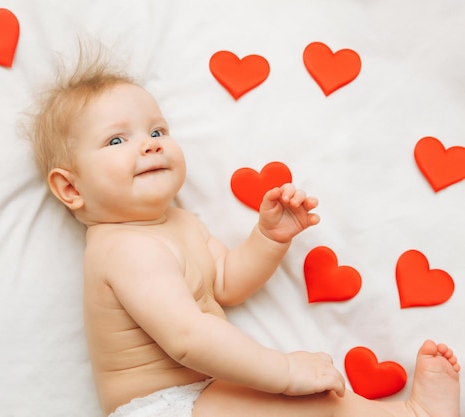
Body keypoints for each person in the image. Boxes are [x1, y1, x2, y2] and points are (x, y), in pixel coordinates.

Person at [27, 50, 461, 417]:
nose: (150, 144)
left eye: (157, 131)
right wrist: (285, 373)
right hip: (162, 406)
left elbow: (227, 283)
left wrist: (268, 239)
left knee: (315, 401)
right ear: (70, 188)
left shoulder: (180, 223)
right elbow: (188, 339)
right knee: (309, 401)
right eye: (117, 141)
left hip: (200, 396)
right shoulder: (122, 248)